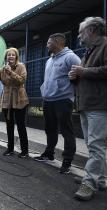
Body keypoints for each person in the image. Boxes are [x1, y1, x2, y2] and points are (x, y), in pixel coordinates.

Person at [68, 17, 107, 201]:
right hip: (86, 103)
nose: (79, 35)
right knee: (96, 145)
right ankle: (101, 179)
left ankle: (89, 182)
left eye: (81, 32)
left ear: (91, 30)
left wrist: (84, 72)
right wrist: (74, 76)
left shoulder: (105, 45)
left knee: (96, 145)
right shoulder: (87, 52)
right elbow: (85, 76)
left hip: (99, 104)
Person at [34, 33, 81, 173]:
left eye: (48, 43)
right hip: (48, 100)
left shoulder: (70, 57)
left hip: (63, 100)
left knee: (67, 131)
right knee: (50, 129)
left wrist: (75, 95)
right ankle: (49, 154)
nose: (47, 45)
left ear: (57, 43)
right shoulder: (49, 60)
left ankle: (67, 161)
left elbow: (80, 75)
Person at [0, 48, 30, 158]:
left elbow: (22, 80)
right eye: (8, 55)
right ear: (6, 57)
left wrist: (10, 72)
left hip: (19, 99)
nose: (10, 56)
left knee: (21, 125)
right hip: (7, 99)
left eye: (13, 55)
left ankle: (25, 150)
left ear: (16, 57)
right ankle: (10, 148)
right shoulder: (2, 69)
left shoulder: (21, 66)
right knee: (9, 125)